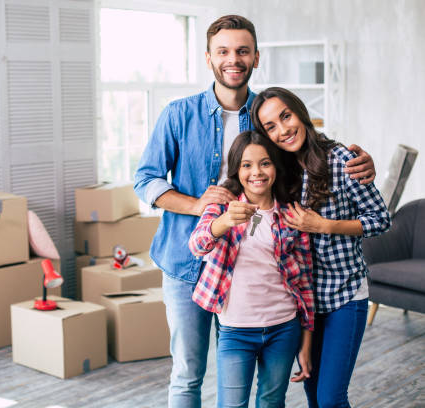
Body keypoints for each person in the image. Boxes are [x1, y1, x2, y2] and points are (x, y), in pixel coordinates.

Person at [133, 15, 376, 408]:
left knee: (266, 389)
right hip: (186, 262)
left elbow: (304, 154)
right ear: (208, 58)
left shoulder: (266, 116)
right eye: (224, 51)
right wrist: (200, 207)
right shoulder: (178, 114)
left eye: (242, 51)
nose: (233, 59)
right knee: (187, 375)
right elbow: (145, 180)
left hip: (254, 268)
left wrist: (359, 163)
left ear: (256, 58)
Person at [251, 87, 391, 408]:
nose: (283, 130)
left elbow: (380, 219)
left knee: (330, 399)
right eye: (271, 126)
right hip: (305, 304)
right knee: (313, 395)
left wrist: (324, 226)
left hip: (345, 295)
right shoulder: (279, 173)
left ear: (300, 112)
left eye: (285, 116)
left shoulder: (342, 159)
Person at [189, 130, 314, 408]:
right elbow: (197, 245)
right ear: (237, 169)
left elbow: (305, 281)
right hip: (236, 330)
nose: (256, 172)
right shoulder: (221, 206)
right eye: (247, 165)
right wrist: (223, 222)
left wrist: (306, 341)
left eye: (265, 163)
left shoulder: (292, 215)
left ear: (276, 167)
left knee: (272, 402)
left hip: (284, 327)